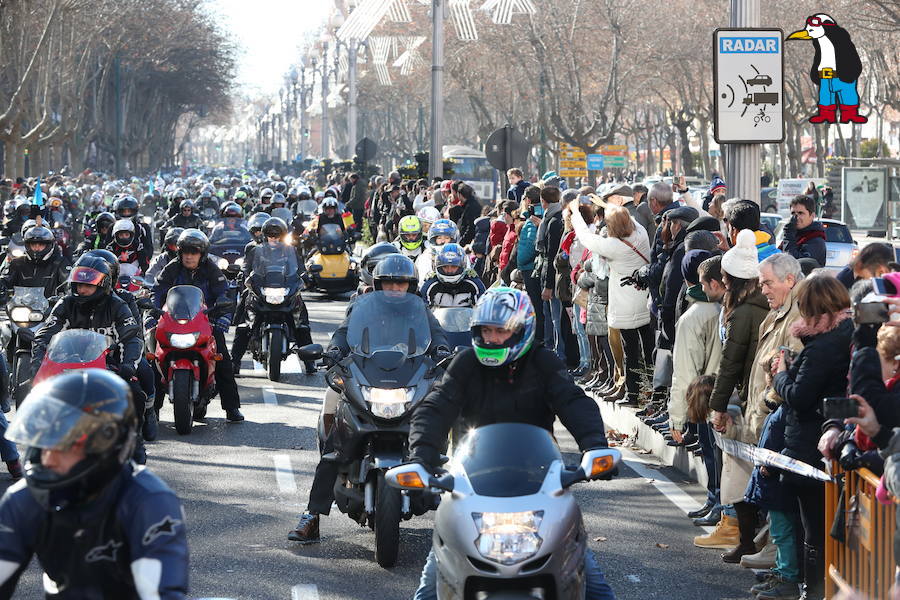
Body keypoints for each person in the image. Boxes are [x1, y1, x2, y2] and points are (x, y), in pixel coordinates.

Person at [407, 287, 615, 600]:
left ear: (522, 329)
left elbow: (573, 401)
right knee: (429, 590)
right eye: (486, 331)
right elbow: (436, 406)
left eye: (500, 331)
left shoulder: (543, 362)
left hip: (540, 485)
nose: (491, 338)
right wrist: (420, 457)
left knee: (594, 588)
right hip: (471, 485)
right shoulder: (465, 363)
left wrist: (595, 446)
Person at [288, 254, 450, 544]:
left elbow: (437, 336)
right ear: (378, 284)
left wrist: (443, 353)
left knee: (440, 408)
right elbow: (342, 333)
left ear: (411, 287)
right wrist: (334, 351)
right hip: (366, 374)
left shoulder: (420, 310)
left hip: (406, 377)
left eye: (401, 284)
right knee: (333, 438)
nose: (394, 289)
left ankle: (456, 513)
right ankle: (311, 516)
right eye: (389, 283)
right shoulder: (362, 305)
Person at [0, 370, 189, 599]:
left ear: (105, 445)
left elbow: (161, 594)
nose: (48, 457)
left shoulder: (151, 502)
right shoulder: (22, 499)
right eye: (44, 441)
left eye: (63, 444)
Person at [773, 274, 852, 600]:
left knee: (813, 530)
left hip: (809, 445)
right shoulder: (844, 335)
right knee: (819, 527)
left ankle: (813, 590)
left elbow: (800, 395)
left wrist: (780, 375)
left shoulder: (822, 347)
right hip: (820, 442)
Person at [30, 254, 148, 462]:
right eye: (78, 285)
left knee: (136, 395)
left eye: (87, 285)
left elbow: (133, 338)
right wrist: (38, 362)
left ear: (102, 284)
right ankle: (37, 450)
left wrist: (129, 365)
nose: (81, 290)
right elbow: (46, 333)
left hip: (109, 365)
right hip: (68, 364)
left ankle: (135, 439)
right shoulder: (66, 303)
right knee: (42, 399)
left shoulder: (118, 305)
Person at [698, 229, 769, 558]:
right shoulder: (758, 306)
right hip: (752, 395)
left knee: (737, 470)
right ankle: (746, 538)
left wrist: (716, 406)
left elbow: (730, 363)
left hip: (745, 400)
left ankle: (741, 538)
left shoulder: (741, 313)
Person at [151, 229, 243, 422]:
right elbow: (158, 291)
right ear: (180, 253)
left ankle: (232, 407)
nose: (189, 256)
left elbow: (223, 293)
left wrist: (223, 316)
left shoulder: (211, 269)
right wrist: (152, 312)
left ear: (202, 254)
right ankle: (152, 409)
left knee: (223, 361)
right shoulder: (171, 268)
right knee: (154, 360)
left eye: (194, 252)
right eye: (186, 252)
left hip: (205, 322)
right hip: (173, 323)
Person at [569, 202, 652, 405]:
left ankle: (633, 394)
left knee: (629, 351)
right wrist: (609, 205)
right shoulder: (641, 235)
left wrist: (575, 214)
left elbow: (587, 238)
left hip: (624, 305)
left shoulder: (613, 246)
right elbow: (629, 219)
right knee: (649, 348)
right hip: (644, 299)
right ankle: (650, 392)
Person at [231, 217, 315, 375]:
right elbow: (245, 267)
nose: (274, 238)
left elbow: (299, 268)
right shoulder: (254, 248)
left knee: (301, 323)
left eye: (277, 235)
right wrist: (245, 275)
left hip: (284, 289)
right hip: (260, 289)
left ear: (283, 236)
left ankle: (310, 362)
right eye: (270, 235)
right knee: (244, 325)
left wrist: (305, 276)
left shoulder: (291, 250)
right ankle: (234, 362)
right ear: (264, 235)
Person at [0, 225, 71, 299]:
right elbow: (6, 279)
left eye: (41, 244)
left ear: (49, 245)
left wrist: (64, 297)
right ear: (27, 245)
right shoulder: (17, 263)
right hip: (20, 306)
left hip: (50, 308)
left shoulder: (59, 262)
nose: (36, 248)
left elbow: (68, 283)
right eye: (33, 244)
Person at [419, 243, 485, 308]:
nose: (449, 270)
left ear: (462, 265)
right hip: (437, 318)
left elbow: (482, 308)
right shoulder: (430, 282)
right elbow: (422, 309)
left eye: (453, 267)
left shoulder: (473, 281)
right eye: (445, 267)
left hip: (466, 318)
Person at [780, 195, 826, 267]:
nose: (796, 217)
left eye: (800, 213)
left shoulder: (816, 240)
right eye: (793, 213)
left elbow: (793, 263)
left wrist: (789, 235)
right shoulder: (794, 234)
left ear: (812, 216)